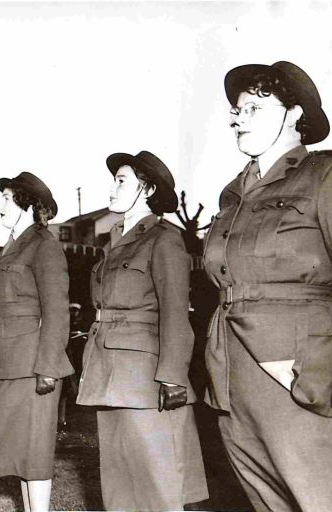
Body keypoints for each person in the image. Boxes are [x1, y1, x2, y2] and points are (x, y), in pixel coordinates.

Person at [203, 61, 332, 512]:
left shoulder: (325, 176)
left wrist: (325, 374)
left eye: (254, 108)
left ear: (293, 114)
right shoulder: (233, 195)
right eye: (236, 110)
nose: (236, 117)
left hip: (300, 374)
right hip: (232, 375)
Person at [76, 151, 208, 511]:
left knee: (156, 481)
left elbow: (175, 312)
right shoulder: (116, 239)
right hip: (108, 371)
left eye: (122, 180)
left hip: (145, 376)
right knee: (119, 481)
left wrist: (172, 376)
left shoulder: (163, 239)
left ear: (146, 188)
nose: (113, 187)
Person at [0, 172, 73, 512]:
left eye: (6, 198)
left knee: (35, 453)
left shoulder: (44, 245)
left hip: (32, 365)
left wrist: (48, 367)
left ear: (27, 204)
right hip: (6, 360)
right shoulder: (15, 245)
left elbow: (57, 311)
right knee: (21, 453)